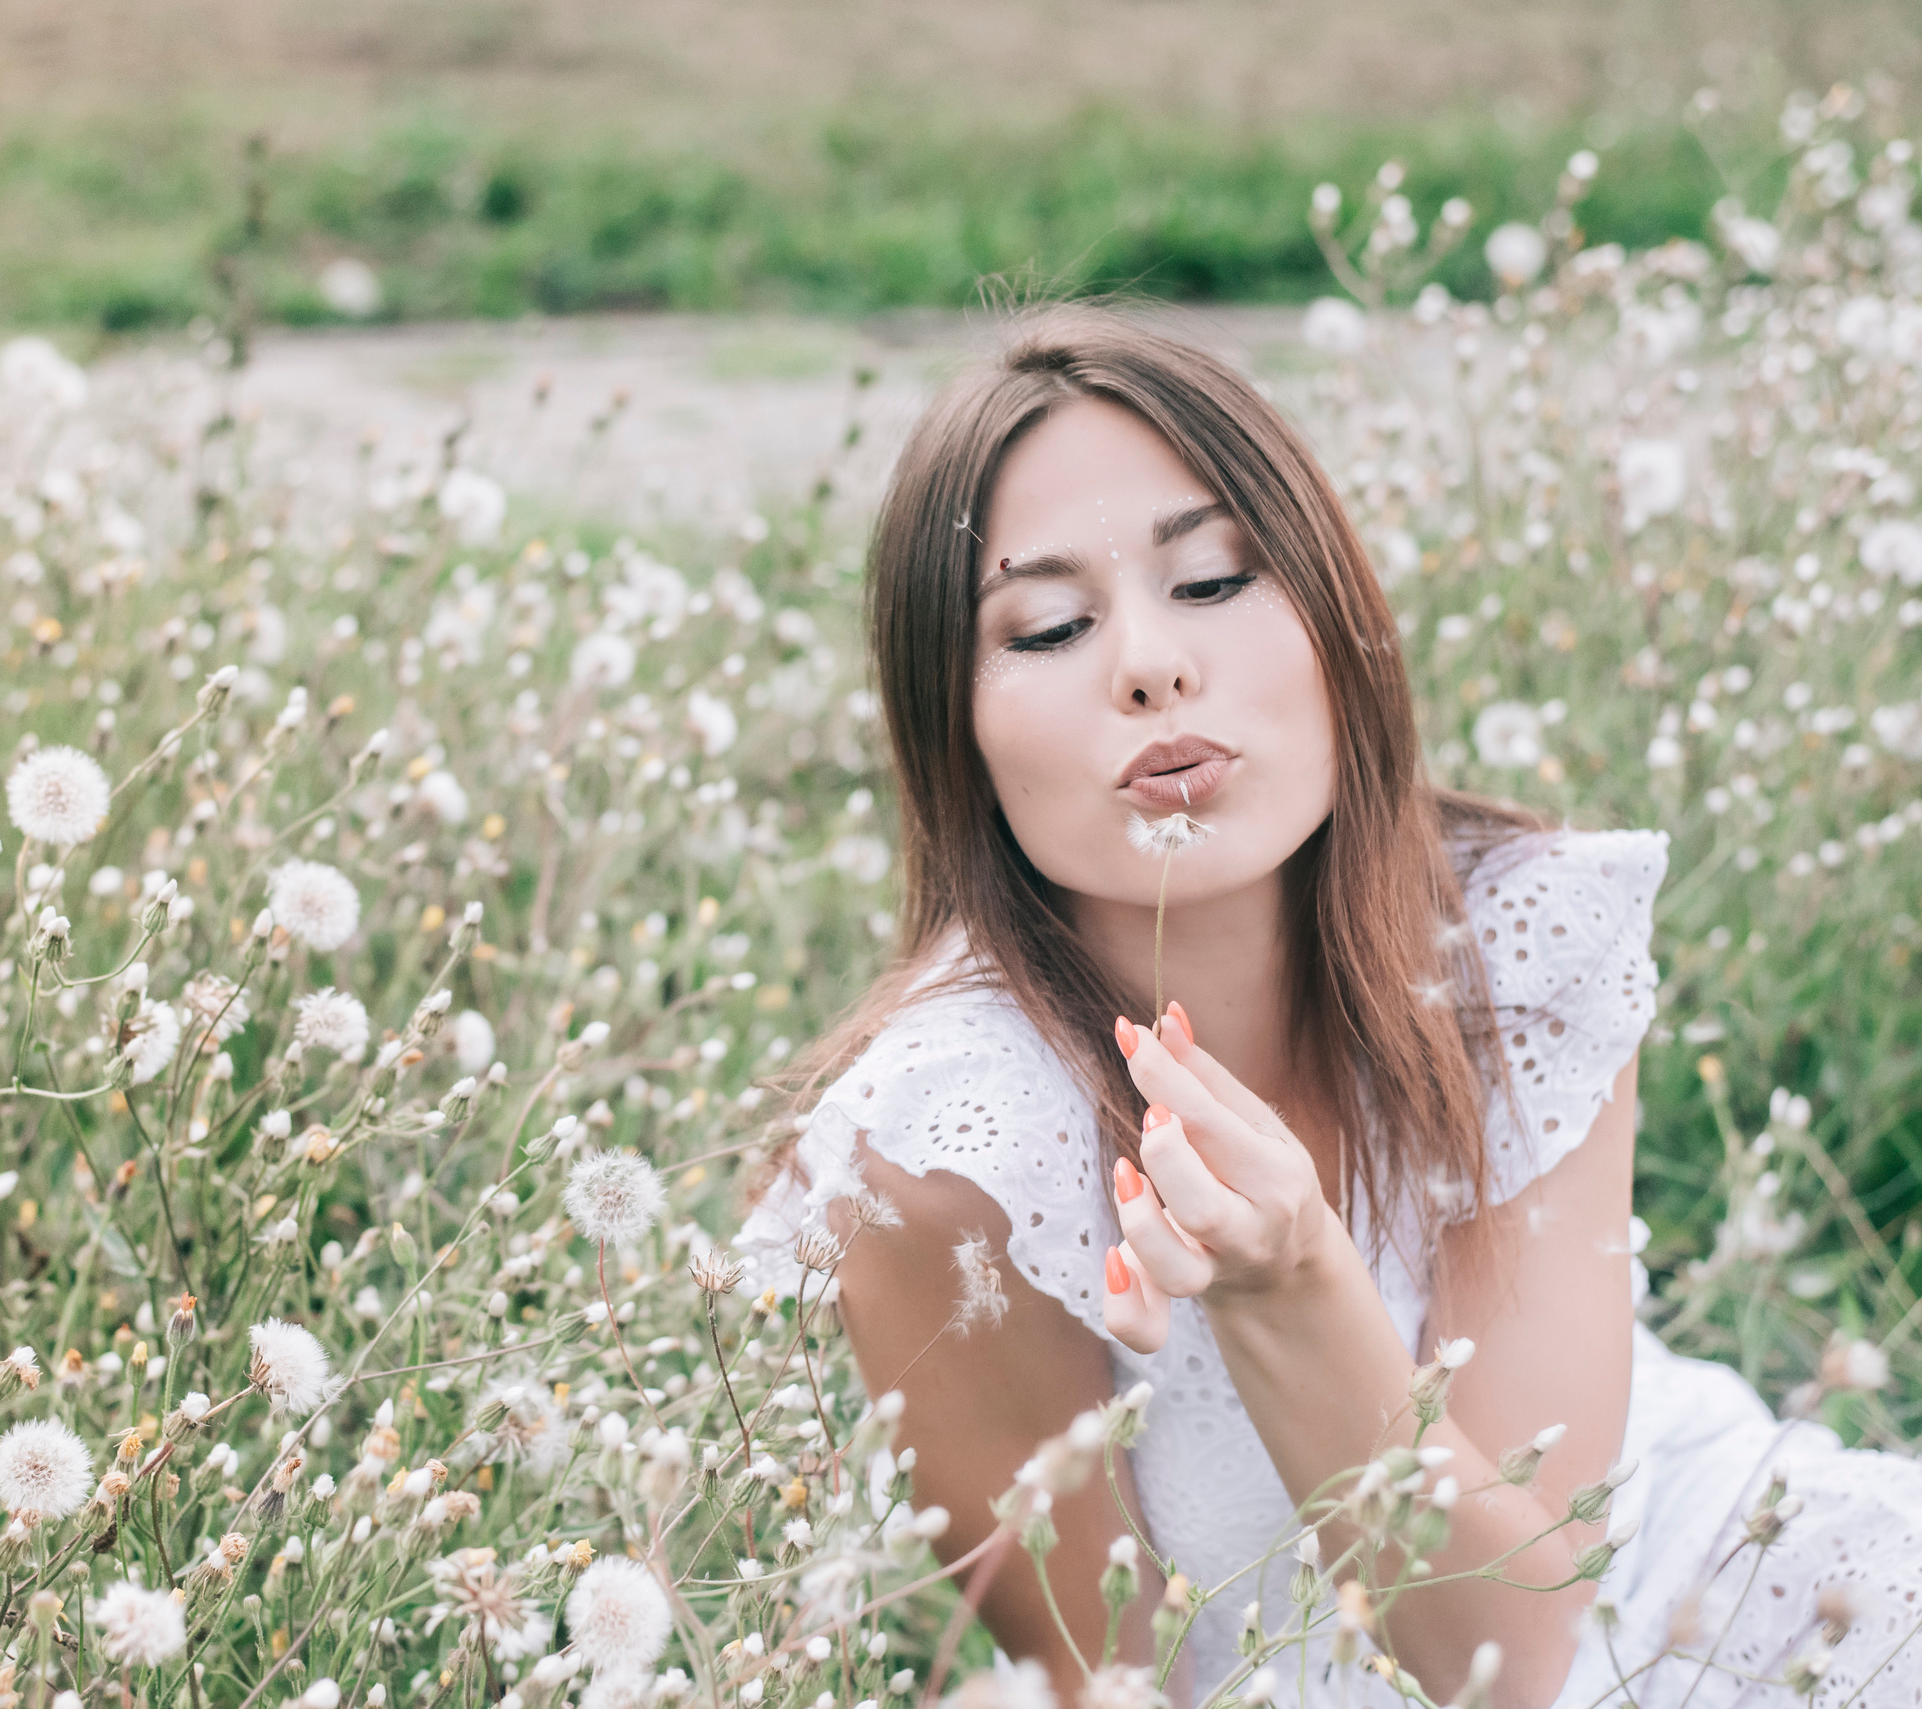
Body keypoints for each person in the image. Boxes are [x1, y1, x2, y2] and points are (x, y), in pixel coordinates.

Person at [737, 304, 1922, 1709]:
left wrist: (1291, 1272)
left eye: (1218, 580)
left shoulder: (1512, 948)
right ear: (955, 730)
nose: (1150, 665)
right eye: (1048, 624)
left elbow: (1518, 1631)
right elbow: (1107, 1678)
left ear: (1335, 615)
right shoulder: (937, 1151)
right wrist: (1271, 1278)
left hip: (1714, 1576)